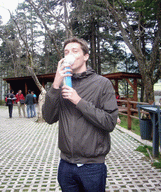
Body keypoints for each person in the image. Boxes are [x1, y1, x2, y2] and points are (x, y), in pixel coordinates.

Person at [42, 37, 119, 191]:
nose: (69, 54)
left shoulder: (102, 83)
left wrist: (78, 101)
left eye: (75, 51)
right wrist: (56, 84)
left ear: (85, 56)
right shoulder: (63, 84)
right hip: (65, 165)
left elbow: (110, 122)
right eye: (66, 52)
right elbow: (49, 118)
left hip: (92, 166)